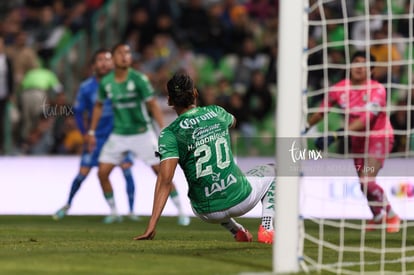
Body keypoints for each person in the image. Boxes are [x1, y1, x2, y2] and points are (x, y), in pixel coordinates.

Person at [133, 72, 275, 244]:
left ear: (170, 101)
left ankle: (236, 230)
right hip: (240, 199)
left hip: (206, 212)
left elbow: (165, 181)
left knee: (204, 187)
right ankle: (267, 228)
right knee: (274, 170)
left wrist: (152, 224)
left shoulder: (169, 134)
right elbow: (234, 121)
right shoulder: (216, 112)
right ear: (195, 93)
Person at [87, 43, 190, 226]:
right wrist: (92, 131)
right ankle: (114, 211)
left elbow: (152, 105)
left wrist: (163, 129)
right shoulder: (107, 82)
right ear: (113, 59)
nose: (125, 56)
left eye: (127, 53)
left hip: (142, 133)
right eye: (120, 53)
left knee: (162, 173)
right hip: (119, 134)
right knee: (102, 173)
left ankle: (181, 210)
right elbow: (99, 106)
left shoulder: (139, 79)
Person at [307, 50, 401, 233]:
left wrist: (337, 134)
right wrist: (305, 126)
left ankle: (391, 214)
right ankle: (377, 216)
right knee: (363, 184)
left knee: (367, 180)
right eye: (356, 62)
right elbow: (321, 111)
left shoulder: (377, 90)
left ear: (372, 70)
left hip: (378, 137)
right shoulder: (340, 89)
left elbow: (367, 118)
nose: (359, 67)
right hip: (357, 140)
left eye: (364, 64)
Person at [53, 49, 139, 222]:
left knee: (127, 171)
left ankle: (130, 211)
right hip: (96, 138)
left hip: (119, 137)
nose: (104, 63)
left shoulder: (122, 83)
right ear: (94, 66)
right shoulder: (86, 87)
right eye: (100, 60)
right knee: (82, 174)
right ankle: (67, 205)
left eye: (108, 59)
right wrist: (85, 134)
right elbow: (78, 113)